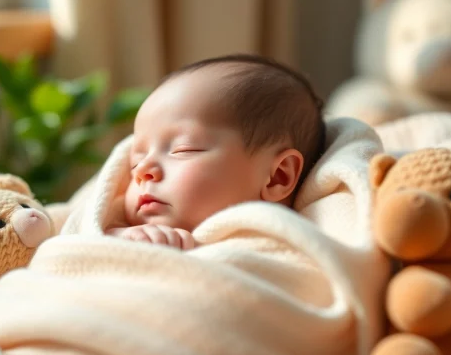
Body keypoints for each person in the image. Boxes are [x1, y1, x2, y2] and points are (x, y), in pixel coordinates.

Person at [106, 54, 326, 249]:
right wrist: (118, 237)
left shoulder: (280, 250)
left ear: (277, 177)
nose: (142, 171)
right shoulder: (119, 233)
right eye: (136, 161)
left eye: (183, 149)